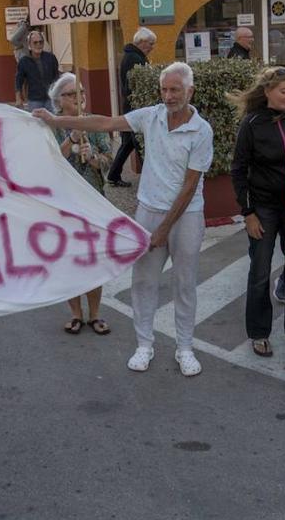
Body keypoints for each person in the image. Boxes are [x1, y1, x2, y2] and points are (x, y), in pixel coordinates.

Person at [34, 62, 213, 377]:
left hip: (186, 216)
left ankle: (185, 348)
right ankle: (144, 345)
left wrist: (163, 229)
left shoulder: (202, 131)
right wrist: (55, 119)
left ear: (190, 91)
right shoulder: (151, 116)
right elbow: (104, 123)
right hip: (148, 210)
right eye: (165, 89)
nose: (169, 96)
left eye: (175, 90)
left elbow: (188, 188)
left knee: (184, 284)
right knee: (143, 282)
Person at [230, 66, 285, 355]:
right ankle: (259, 332)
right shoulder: (252, 124)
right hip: (263, 209)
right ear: (267, 92)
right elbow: (238, 170)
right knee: (261, 271)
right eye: (284, 91)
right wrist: (248, 212)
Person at [48, 73, 113, 335]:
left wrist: (95, 158)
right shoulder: (51, 127)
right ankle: (75, 314)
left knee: (93, 260)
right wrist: (72, 139)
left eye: (82, 92)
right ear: (59, 100)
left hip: (92, 198)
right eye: (72, 94)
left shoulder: (92, 122)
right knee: (70, 260)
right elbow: (48, 160)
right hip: (64, 203)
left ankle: (95, 314)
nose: (79, 98)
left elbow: (109, 159)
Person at [106, 27, 156, 188]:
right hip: (134, 108)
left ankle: (113, 175)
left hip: (130, 107)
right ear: (141, 42)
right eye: (151, 43)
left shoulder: (131, 55)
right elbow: (132, 86)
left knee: (128, 144)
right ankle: (152, 178)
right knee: (140, 145)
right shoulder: (135, 58)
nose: (152, 47)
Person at [15, 29, 60, 111]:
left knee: (53, 122)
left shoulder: (51, 58)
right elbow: (19, 80)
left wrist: (59, 95)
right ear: (29, 45)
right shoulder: (24, 61)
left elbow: (56, 77)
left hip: (51, 98)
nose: (38, 45)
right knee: (35, 123)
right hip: (34, 100)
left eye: (40, 42)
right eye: (35, 43)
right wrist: (18, 98)